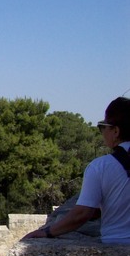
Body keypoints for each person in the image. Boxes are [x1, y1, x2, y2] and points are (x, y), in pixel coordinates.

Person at [23, 97, 130, 244]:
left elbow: (81, 215)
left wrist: (46, 231)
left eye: (102, 127)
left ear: (116, 131)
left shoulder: (101, 166)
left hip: (118, 245)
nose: (102, 132)